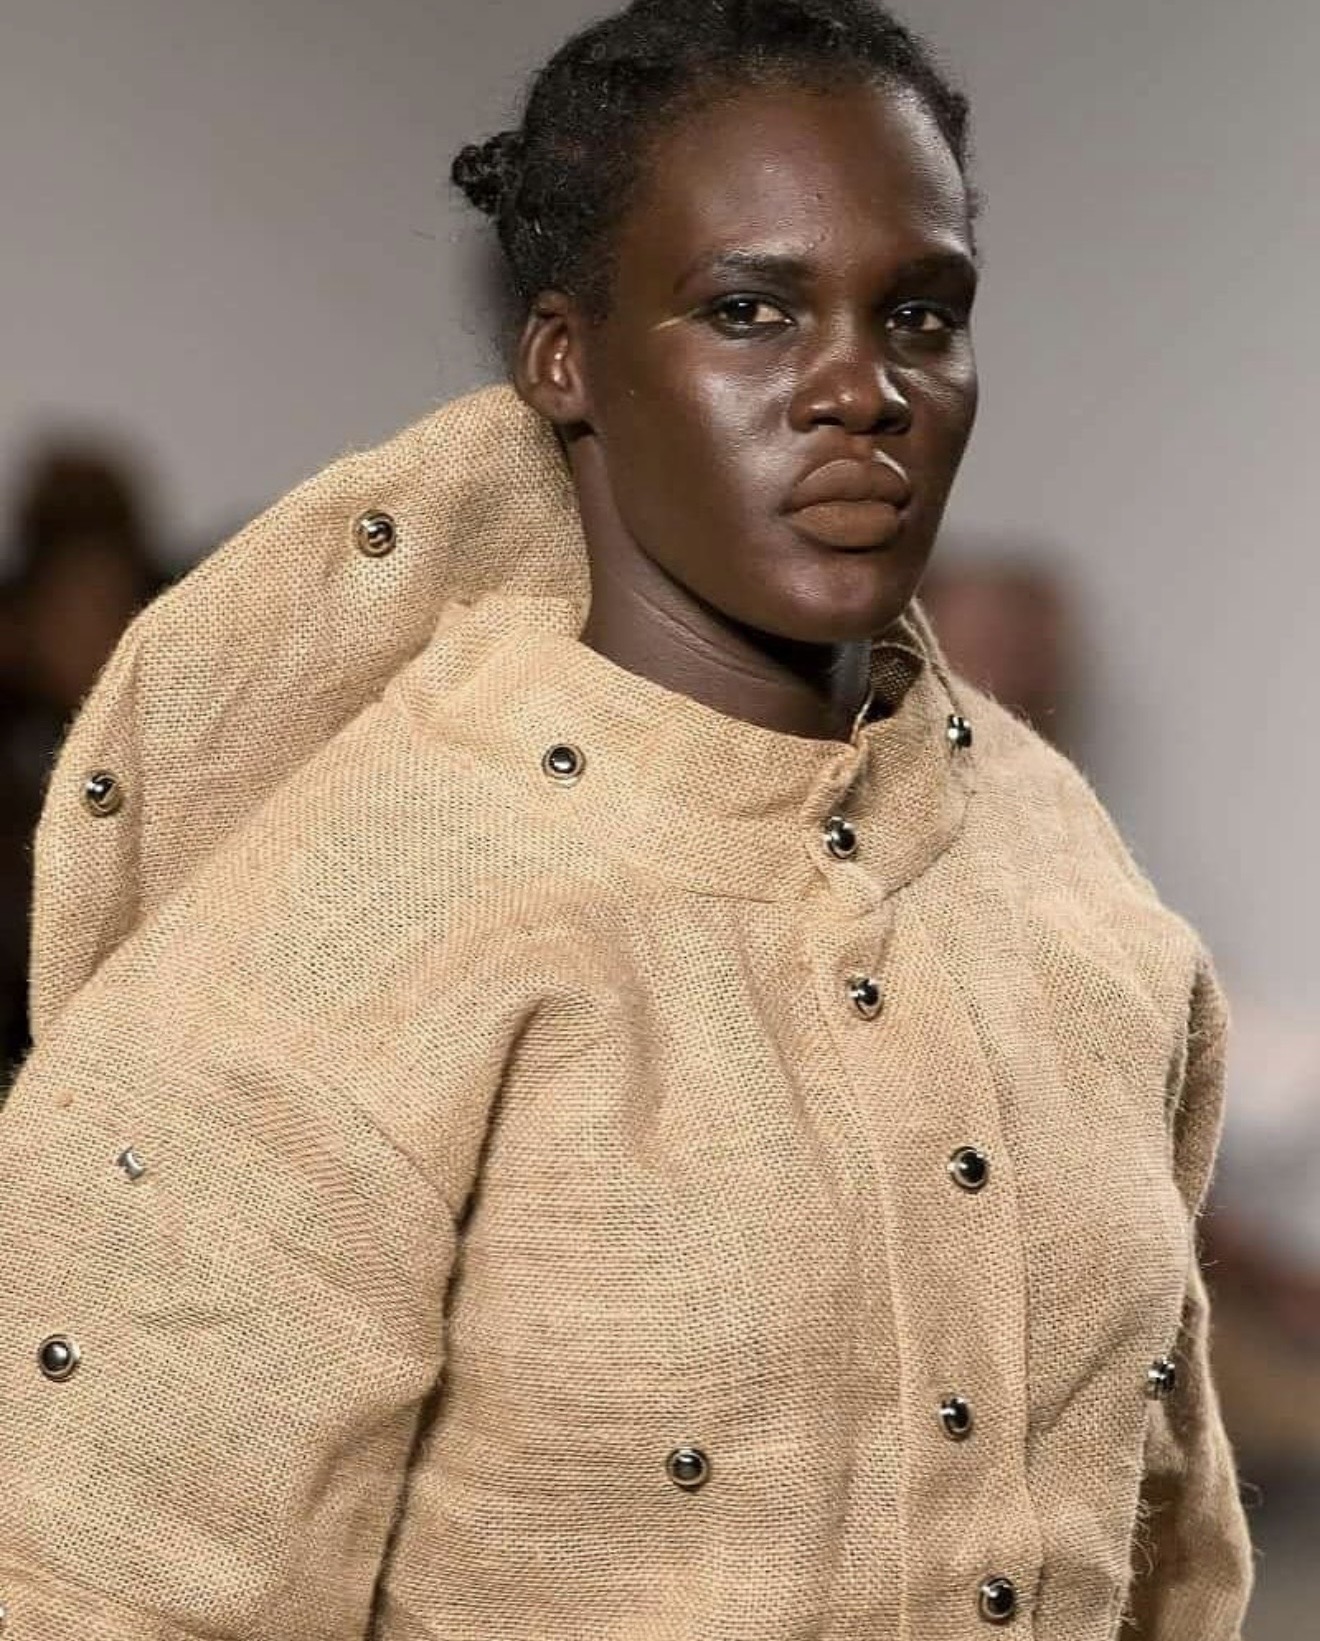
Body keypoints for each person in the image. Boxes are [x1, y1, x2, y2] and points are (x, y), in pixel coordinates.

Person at [0, 3, 1252, 1638]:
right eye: (750, 308)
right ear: (563, 357)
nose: (858, 389)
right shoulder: (351, 913)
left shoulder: (1067, 878)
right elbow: (106, 1584)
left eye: (922, 313)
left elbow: (1168, 1540)